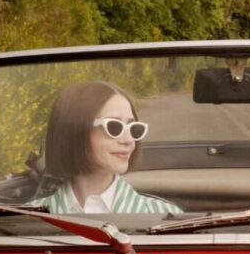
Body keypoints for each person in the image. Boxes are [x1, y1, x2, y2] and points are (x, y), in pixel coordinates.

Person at [32, 81, 182, 214]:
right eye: (114, 127)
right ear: (75, 131)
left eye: (133, 129)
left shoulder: (167, 217)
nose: (128, 140)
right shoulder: (27, 219)